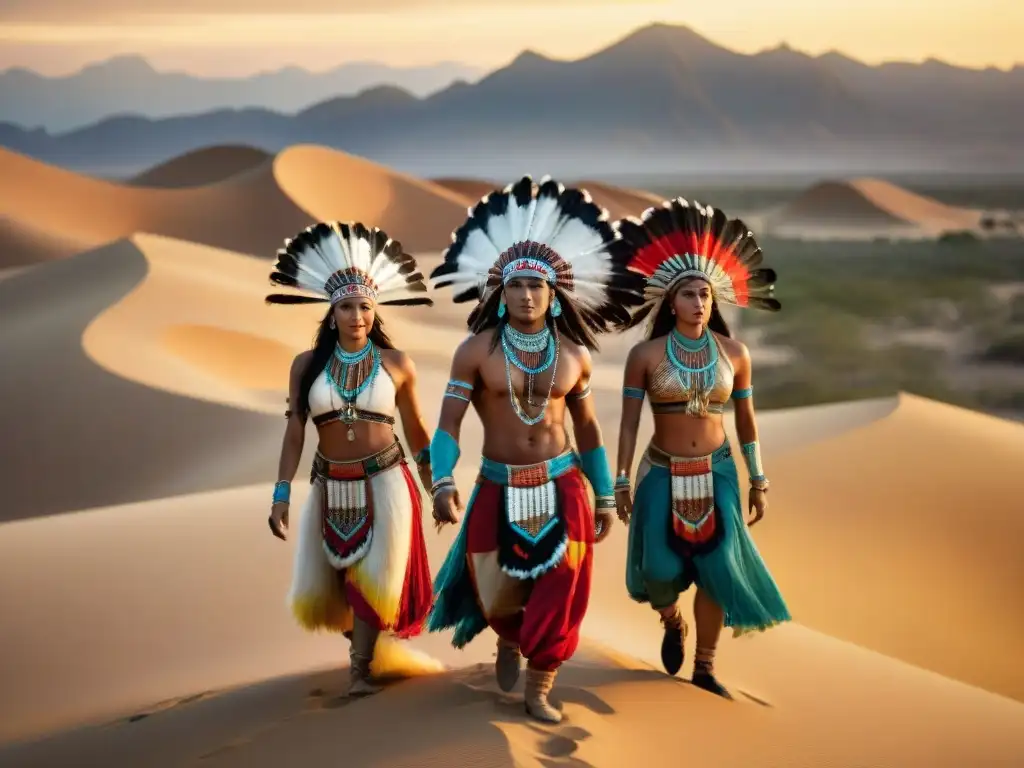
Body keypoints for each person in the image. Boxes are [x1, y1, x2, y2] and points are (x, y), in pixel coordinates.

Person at [424, 176, 644, 723]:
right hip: (496, 485)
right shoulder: (474, 352)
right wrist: (444, 480)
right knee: (496, 592)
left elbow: (589, 429)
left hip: (564, 482)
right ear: (500, 292)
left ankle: (540, 684)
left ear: (555, 294)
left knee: (566, 583)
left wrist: (604, 494)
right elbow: (448, 423)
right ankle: (509, 637)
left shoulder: (574, 356)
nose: (526, 294)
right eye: (517, 285)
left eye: (537, 286)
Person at [611, 198, 792, 699]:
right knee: (659, 570)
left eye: (706, 295)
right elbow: (628, 423)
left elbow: (747, 421)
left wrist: (758, 478)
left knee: (717, 569)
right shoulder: (644, 355)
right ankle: (672, 622)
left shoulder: (736, 354)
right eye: (688, 294)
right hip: (660, 470)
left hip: (719, 471)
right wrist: (621, 478)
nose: (698, 302)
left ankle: (705, 668)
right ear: (671, 302)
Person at [265, 221, 436, 697]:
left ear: (374, 309)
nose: (356, 315)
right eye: (346, 306)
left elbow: (418, 430)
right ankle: (376, 655)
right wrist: (281, 494)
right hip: (328, 485)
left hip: (388, 482)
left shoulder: (398, 363)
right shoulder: (306, 365)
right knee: (338, 590)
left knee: (370, 585)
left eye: (364, 306)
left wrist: (437, 486)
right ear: (332, 311)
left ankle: (359, 672)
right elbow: (295, 429)